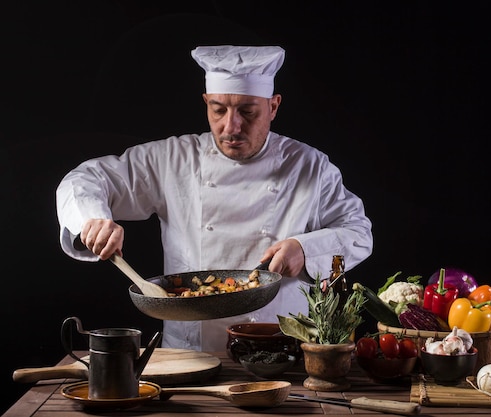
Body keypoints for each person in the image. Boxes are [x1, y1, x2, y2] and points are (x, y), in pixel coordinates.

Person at [56, 45, 373, 352]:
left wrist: (306, 250)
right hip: (189, 352)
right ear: (206, 101)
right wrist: (92, 219)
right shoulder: (172, 160)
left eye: (248, 112)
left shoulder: (309, 165)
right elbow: (85, 179)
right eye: (218, 110)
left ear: (273, 106)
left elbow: (358, 232)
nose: (231, 126)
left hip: (282, 353)